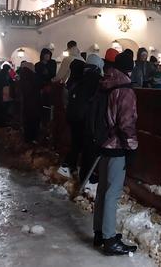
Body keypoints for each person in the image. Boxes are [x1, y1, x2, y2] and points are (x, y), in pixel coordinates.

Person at [93, 49, 138, 255]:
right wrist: (132, 147)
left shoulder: (106, 83)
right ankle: (110, 240)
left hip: (102, 142)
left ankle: (100, 232)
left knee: (103, 190)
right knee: (112, 193)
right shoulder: (125, 90)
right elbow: (126, 124)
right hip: (116, 145)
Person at [58, 53, 104, 180]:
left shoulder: (79, 76)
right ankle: (85, 177)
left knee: (76, 143)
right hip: (86, 117)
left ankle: (67, 167)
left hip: (73, 115)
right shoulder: (95, 78)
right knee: (87, 146)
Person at [19, 61, 41, 143]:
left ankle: (28, 139)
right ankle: (33, 139)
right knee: (33, 121)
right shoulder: (33, 77)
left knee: (27, 121)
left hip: (26, 103)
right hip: (34, 103)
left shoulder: (23, 76)